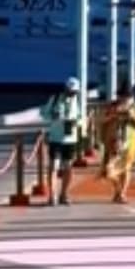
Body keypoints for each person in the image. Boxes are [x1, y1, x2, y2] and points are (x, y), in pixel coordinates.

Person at [41, 76, 82, 206]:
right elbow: (43, 114)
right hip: (56, 137)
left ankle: (64, 194)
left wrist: (76, 122)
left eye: (74, 92)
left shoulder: (78, 101)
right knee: (54, 166)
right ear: (65, 89)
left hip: (71, 139)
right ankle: (52, 196)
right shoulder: (55, 99)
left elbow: (82, 118)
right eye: (70, 91)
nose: (72, 94)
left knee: (68, 167)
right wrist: (53, 116)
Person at [105, 79, 135, 204]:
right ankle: (118, 190)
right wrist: (114, 115)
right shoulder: (113, 105)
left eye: (126, 96)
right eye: (121, 95)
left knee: (126, 168)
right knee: (109, 170)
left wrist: (132, 116)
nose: (123, 98)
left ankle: (122, 193)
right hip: (114, 141)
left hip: (130, 141)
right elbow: (103, 120)